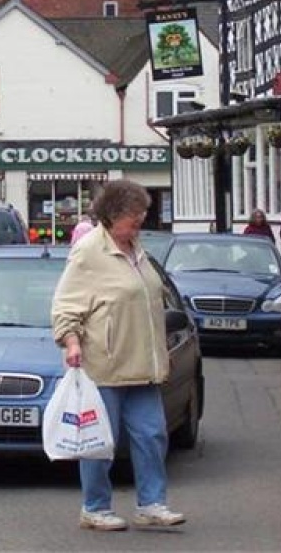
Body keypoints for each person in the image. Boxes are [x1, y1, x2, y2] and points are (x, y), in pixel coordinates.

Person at [51, 179, 185, 532]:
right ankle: (94, 508)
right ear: (111, 216)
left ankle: (152, 504)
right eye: (133, 215)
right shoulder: (89, 251)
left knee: (153, 435)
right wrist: (72, 342)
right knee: (97, 441)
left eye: (142, 213)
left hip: (145, 364)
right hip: (105, 365)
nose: (140, 220)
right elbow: (66, 304)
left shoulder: (138, 248)